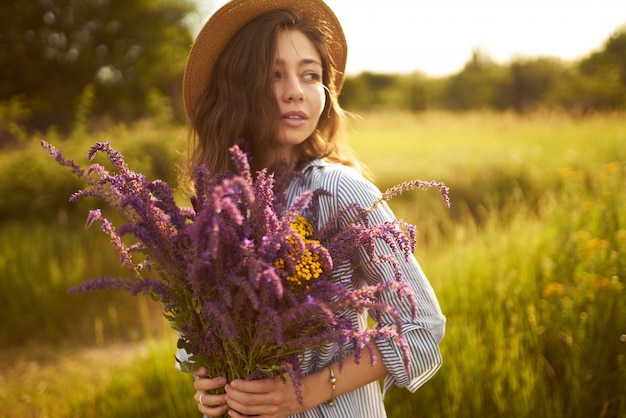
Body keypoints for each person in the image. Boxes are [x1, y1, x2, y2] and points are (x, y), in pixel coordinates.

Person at [181, 1, 446, 417]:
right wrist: (209, 383)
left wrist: (309, 389)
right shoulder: (219, 203)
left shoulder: (337, 191)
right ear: (236, 86)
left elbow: (422, 326)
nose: (295, 91)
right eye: (273, 74)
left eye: (311, 75)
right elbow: (202, 328)